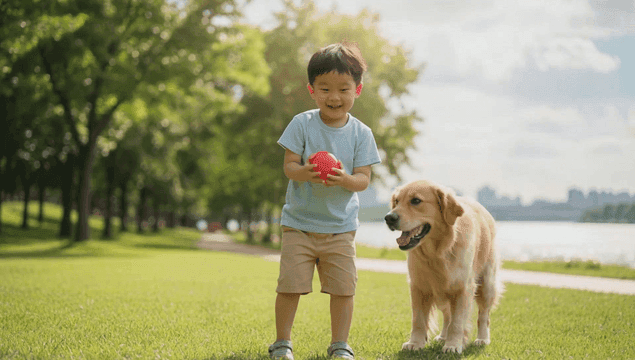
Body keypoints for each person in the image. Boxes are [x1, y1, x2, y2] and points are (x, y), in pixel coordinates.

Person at [269, 42, 381, 360]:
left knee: (344, 289)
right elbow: (289, 167)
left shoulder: (362, 134)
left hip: (340, 229)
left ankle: (340, 344)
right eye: (325, 88)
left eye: (343, 89)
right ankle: (282, 343)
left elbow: (363, 179)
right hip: (299, 225)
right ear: (312, 90)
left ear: (357, 90)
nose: (334, 97)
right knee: (290, 286)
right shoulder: (302, 124)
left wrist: (344, 179)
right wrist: (306, 172)